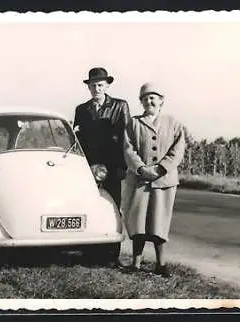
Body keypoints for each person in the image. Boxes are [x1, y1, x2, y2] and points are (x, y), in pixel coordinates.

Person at [122, 82, 186, 277]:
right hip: (139, 179)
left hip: (164, 181)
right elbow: (128, 148)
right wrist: (140, 168)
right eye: (145, 98)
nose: (149, 101)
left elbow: (178, 149)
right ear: (140, 102)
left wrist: (161, 168)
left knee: (159, 222)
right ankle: (136, 264)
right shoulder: (133, 123)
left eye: (153, 97)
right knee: (137, 221)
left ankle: (161, 264)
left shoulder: (173, 122)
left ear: (161, 100)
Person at [73, 67, 131, 263]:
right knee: (90, 205)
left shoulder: (120, 106)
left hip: (112, 165)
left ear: (107, 86)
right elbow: (78, 138)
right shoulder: (81, 109)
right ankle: (89, 250)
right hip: (88, 167)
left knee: (112, 206)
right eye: (93, 85)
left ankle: (111, 254)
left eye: (100, 85)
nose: (96, 89)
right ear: (88, 87)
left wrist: (124, 166)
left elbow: (126, 138)